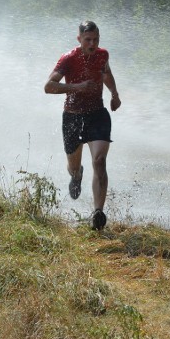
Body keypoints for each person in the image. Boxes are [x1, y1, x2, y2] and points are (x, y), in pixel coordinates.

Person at [45, 20, 121, 230]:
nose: (92, 43)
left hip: (98, 114)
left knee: (99, 160)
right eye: (88, 39)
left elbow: (106, 74)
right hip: (72, 117)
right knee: (74, 165)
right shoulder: (68, 58)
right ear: (79, 39)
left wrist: (114, 94)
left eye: (96, 39)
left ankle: (98, 212)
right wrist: (77, 87)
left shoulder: (102, 55)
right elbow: (49, 86)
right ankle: (77, 176)